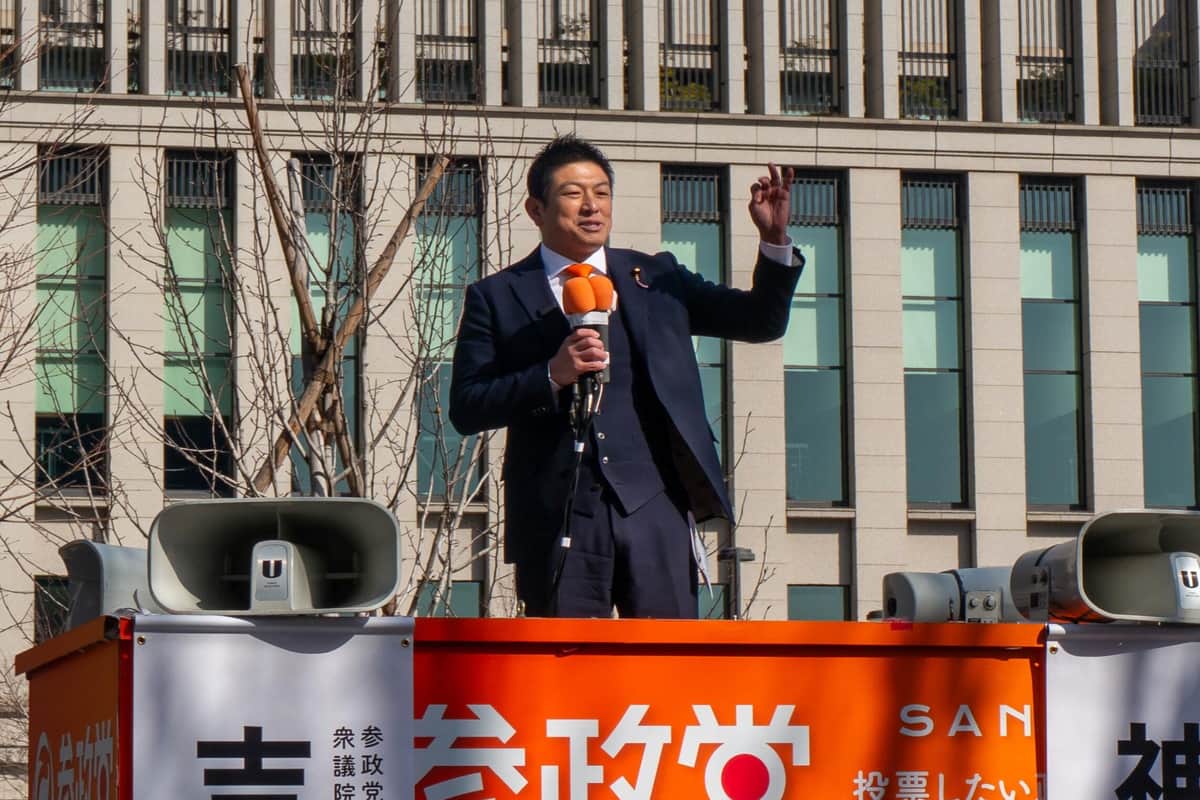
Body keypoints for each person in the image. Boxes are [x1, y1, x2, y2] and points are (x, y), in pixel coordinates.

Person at [449, 135, 803, 619]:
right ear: (537, 209)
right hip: (558, 514)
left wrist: (774, 242)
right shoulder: (496, 295)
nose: (592, 205)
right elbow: (468, 406)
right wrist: (550, 375)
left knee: (667, 666)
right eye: (574, 193)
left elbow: (760, 322)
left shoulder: (656, 277)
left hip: (654, 505)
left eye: (602, 192)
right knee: (567, 672)